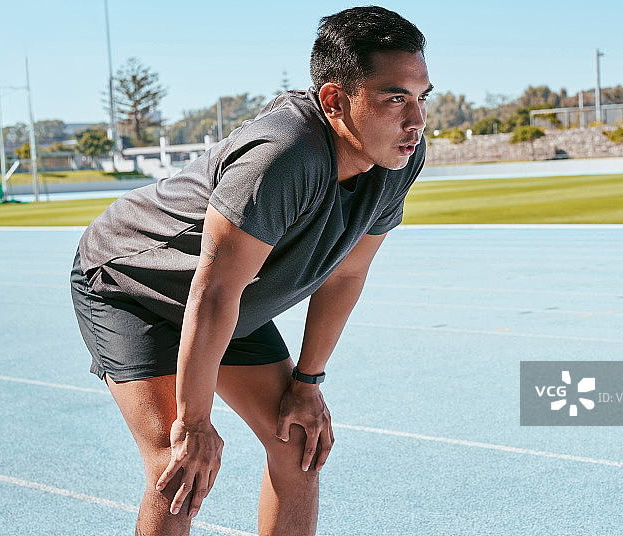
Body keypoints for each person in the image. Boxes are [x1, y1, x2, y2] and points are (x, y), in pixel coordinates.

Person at [70, 6, 431, 535]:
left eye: (423, 98)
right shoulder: (282, 156)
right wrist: (193, 423)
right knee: (177, 470)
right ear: (333, 100)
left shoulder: (399, 156)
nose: (416, 120)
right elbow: (212, 292)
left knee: (298, 444)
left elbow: (346, 275)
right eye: (395, 98)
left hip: (224, 303)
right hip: (132, 285)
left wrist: (308, 382)